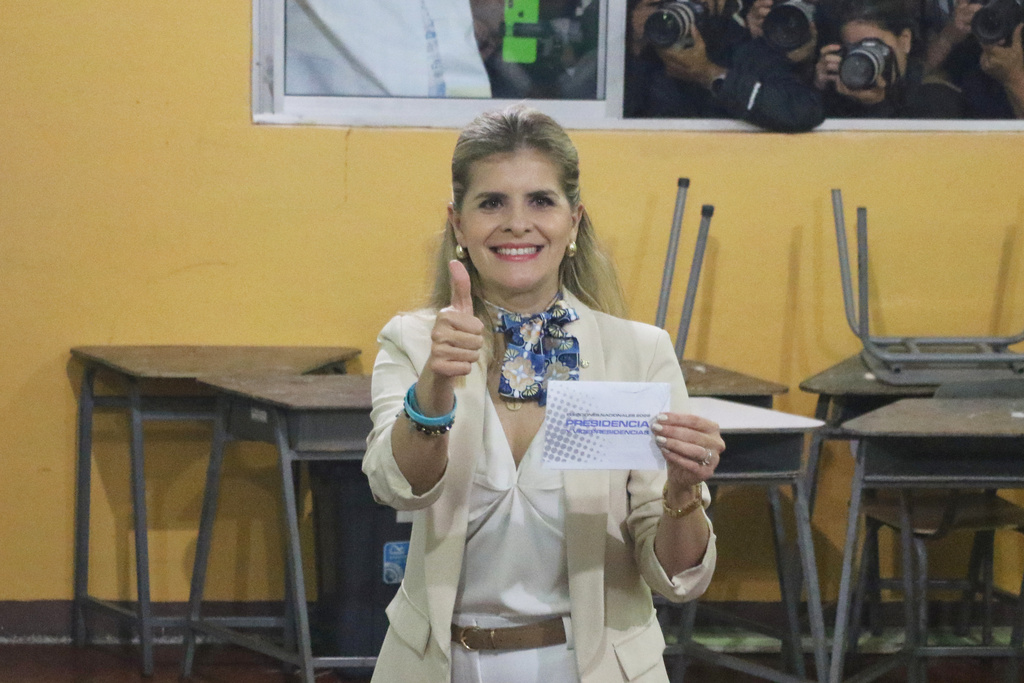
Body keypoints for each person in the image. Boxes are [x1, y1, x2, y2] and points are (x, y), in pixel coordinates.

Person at [362, 104, 723, 683]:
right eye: (491, 203)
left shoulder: (640, 353)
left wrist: (683, 491)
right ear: (458, 224)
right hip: (439, 667)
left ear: (573, 221)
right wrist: (435, 384)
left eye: (540, 201)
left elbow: (675, 577)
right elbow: (397, 487)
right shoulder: (413, 341)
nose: (516, 223)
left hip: (596, 669)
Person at [625, 0, 826, 131]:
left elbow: (804, 109)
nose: (679, 8)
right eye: (661, 3)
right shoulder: (618, 60)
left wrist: (711, 74)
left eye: (694, 3)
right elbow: (607, 120)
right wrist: (637, 48)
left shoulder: (745, 50)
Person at [813, 0, 967, 117]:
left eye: (874, 45)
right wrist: (818, 89)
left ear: (904, 40)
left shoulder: (937, 97)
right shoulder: (839, 95)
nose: (864, 56)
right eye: (854, 48)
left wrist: (877, 105)